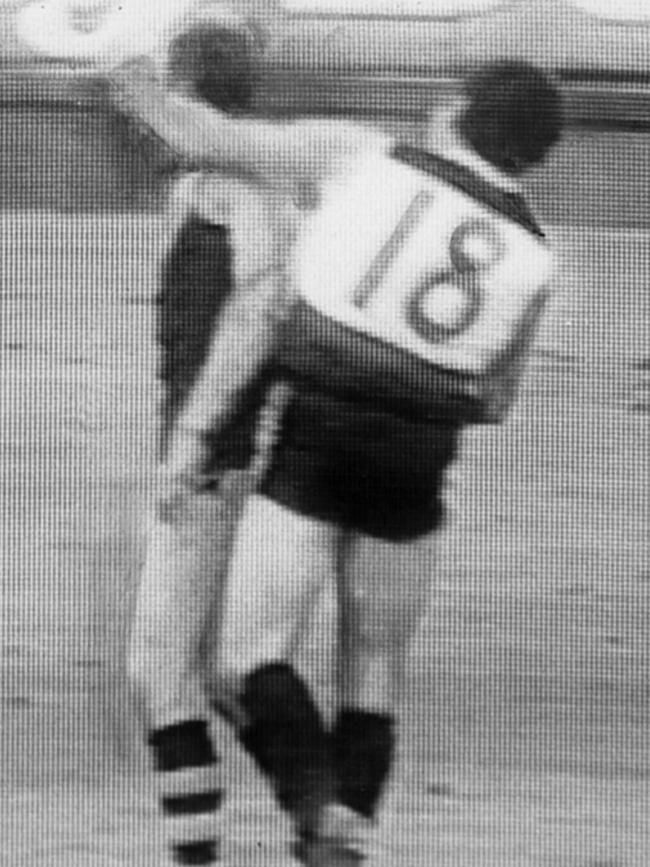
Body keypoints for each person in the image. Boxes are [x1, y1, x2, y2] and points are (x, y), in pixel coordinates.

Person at [110, 41, 562, 864]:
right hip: (420, 462)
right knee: (375, 663)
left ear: (458, 109)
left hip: (314, 440)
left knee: (242, 658)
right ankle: (342, 835)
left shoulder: (368, 157)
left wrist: (132, 82)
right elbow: (495, 397)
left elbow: (215, 143)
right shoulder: (536, 254)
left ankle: (318, 809)